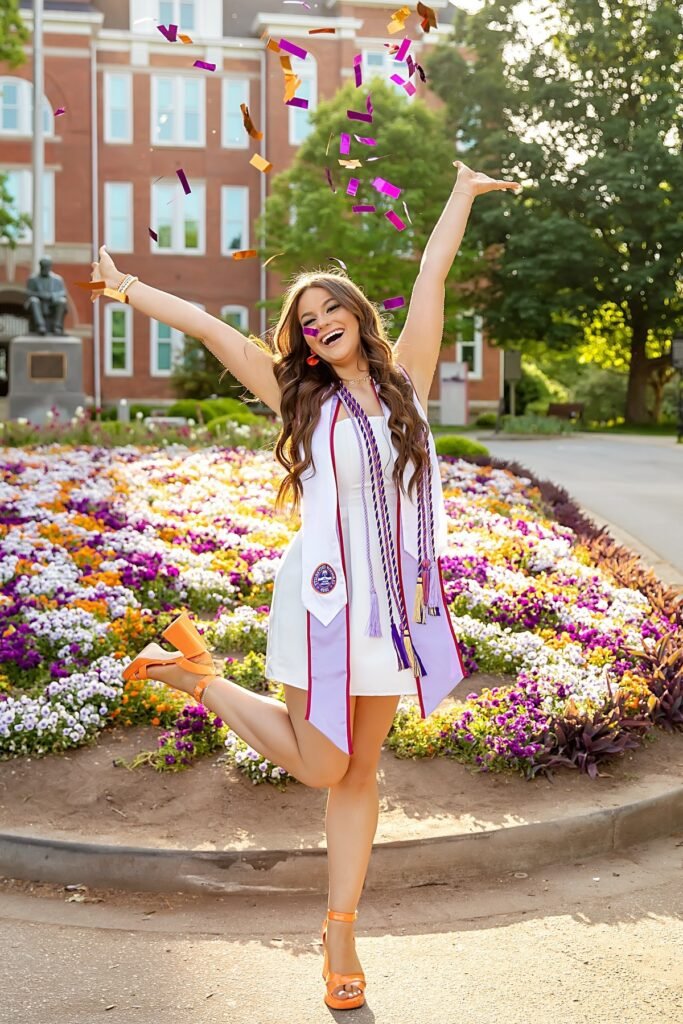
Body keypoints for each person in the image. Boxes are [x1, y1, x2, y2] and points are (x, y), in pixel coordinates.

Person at [103, 159, 522, 1010]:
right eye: (307, 319)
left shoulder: (407, 384)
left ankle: (340, 933)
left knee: (360, 774)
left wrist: (460, 192)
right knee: (320, 765)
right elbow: (212, 331)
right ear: (300, 341)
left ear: (358, 318)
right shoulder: (299, 397)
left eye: (332, 309)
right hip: (324, 602)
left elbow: (431, 275)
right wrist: (128, 288)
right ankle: (199, 678)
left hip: (395, 609)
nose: (321, 322)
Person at [25, 256, 68, 335]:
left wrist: (51, 296)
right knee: (33, 300)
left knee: (62, 301)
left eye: (47, 267)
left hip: (52, 303)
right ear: (40, 267)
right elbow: (28, 293)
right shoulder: (33, 279)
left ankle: (57, 327)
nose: (45, 269)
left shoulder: (58, 279)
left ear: (50, 267)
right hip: (39, 303)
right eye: (43, 267)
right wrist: (40, 295)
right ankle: (40, 326)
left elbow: (63, 293)